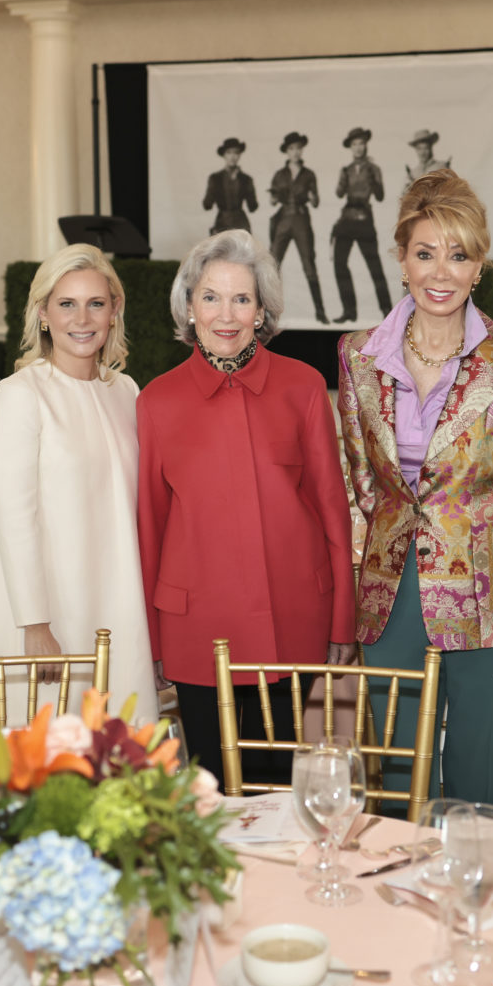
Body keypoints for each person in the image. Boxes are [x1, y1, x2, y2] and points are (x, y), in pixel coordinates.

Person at [338, 169, 493, 813]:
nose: (441, 273)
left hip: (490, 603)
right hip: (390, 599)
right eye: (425, 253)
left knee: (476, 795)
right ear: (402, 259)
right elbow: (363, 484)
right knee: (394, 790)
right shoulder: (357, 356)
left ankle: (473, 884)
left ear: (479, 266)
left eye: (459, 256)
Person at [137, 229, 355, 787]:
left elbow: (332, 511)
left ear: (261, 311)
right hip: (195, 629)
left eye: (242, 299)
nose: (226, 314)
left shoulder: (304, 386)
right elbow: (150, 528)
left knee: (279, 787)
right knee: (212, 790)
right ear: (190, 307)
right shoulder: (156, 401)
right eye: (211, 297)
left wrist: (342, 619)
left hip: (293, 620)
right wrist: (153, 641)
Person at [0, 244, 158, 727]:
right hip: (42, 607)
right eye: (67, 304)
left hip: (113, 600)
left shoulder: (125, 391)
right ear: (43, 313)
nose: (82, 319)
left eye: (96, 303)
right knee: (35, 753)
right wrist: (35, 625)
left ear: (115, 310)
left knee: (113, 750)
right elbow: (14, 519)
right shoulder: (19, 396)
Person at [331, 126, 392, 324]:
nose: (358, 147)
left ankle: (387, 310)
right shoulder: (347, 170)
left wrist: (374, 182)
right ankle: (349, 310)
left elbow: (380, 196)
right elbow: (339, 193)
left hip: (365, 218)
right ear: (350, 147)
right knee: (339, 263)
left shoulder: (374, 169)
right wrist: (342, 177)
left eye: (361, 143)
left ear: (366, 146)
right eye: (355, 144)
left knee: (374, 265)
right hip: (347, 218)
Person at [269, 132, 329, 324]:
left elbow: (316, 202)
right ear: (286, 151)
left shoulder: (309, 174)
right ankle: (267, 313)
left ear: (302, 150)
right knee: (271, 265)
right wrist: (273, 197)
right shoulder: (280, 175)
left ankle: (320, 312)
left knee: (309, 264)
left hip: (301, 219)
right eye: (292, 148)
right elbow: (272, 200)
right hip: (284, 219)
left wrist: (312, 197)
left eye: (298, 148)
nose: (295, 152)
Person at [202, 137, 258, 235]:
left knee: (244, 244)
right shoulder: (215, 178)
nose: (232, 156)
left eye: (236, 152)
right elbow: (207, 205)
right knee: (221, 244)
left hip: (240, 223)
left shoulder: (246, 179)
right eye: (229, 152)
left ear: (240, 155)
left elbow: (252, 207)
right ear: (223, 155)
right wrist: (212, 192)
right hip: (222, 223)